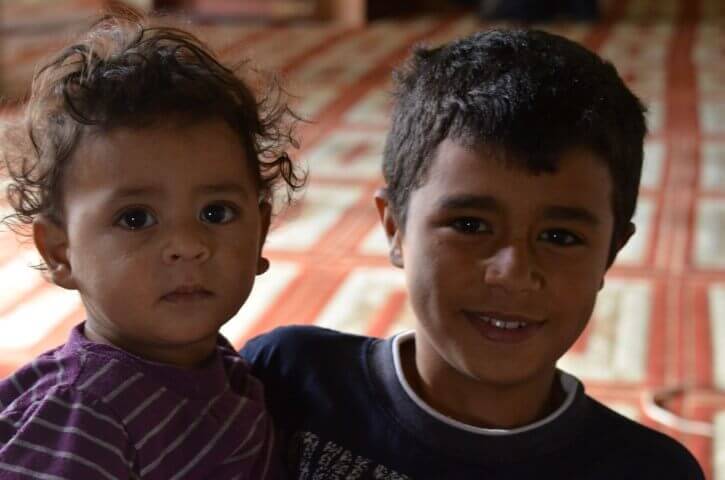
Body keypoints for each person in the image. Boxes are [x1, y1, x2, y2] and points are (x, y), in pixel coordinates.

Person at [240, 29, 706, 479]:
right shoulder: (286, 381)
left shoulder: (649, 471)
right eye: (470, 226)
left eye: (560, 237)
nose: (513, 273)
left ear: (611, 253)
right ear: (395, 228)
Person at [0, 7, 303, 479]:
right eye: (136, 218)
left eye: (216, 213)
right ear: (60, 252)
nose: (187, 244)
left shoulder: (226, 371)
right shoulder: (84, 420)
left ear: (260, 231)